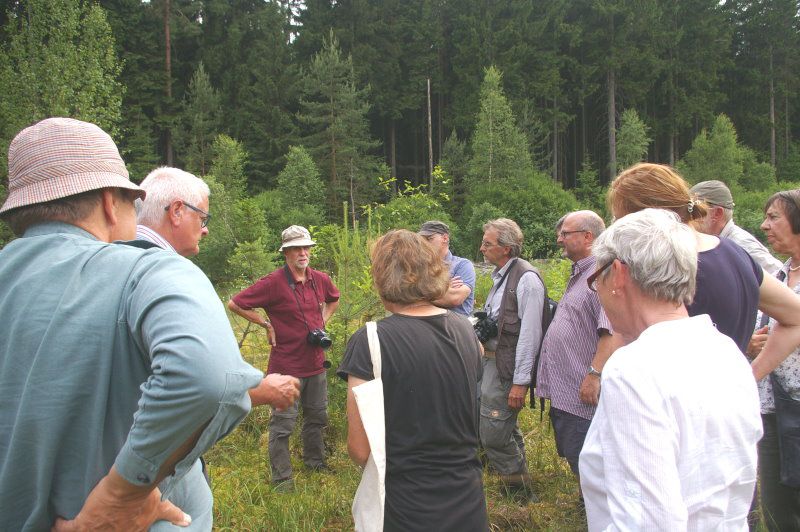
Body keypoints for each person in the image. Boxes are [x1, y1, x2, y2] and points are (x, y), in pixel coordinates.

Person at [0, 117, 300, 531]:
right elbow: (209, 377)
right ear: (110, 202)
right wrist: (120, 497)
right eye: (130, 203)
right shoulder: (149, 271)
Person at [580, 208, 762, 530]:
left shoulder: (634, 368)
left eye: (596, 279)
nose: (599, 296)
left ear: (619, 274)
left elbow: (647, 520)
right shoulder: (726, 352)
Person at [338, 229, 488, 531]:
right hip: (468, 500)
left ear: (381, 277)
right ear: (432, 271)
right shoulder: (466, 332)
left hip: (404, 505)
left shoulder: (370, 340)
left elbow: (359, 448)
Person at [608, 163, 800, 366]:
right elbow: (795, 316)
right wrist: (750, 376)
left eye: (619, 220)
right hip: (731, 394)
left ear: (644, 217)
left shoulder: (663, 269)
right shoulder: (734, 252)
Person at [228, 225, 340, 491]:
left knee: (317, 417)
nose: (303, 253)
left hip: (315, 364)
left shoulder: (320, 279)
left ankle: (315, 463)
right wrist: (266, 324)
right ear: (286, 253)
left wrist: (322, 322)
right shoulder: (272, 283)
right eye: (296, 249)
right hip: (286, 367)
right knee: (282, 425)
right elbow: (235, 303)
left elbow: (333, 299)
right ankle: (282, 479)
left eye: (306, 248)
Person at [535, 210, 620, 479]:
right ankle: (587, 506)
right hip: (569, 392)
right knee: (578, 458)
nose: (559, 239)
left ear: (587, 237)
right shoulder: (580, 274)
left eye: (565, 234)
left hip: (583, 395)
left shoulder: (601, 275)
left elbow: (612, 333)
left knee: (588, 461)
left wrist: (594, 375)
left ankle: (594, 513)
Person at [477, 218, 546, 494]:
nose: (482, 248)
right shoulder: (503, 275)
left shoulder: (526, 279)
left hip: (505, 369)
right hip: (492, 363)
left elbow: (531, 335)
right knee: (504, 428)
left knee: (494, 434)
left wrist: (520, 382)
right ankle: (521, 488)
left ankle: (518, 496)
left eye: (487, 243)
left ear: (506, 248)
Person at [750, 190, 800, 530]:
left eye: (774, 217)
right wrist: (750, 343)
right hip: (769, 407)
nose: (765, 225)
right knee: (776, 509)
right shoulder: (779, 276)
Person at [690, 179, 782, 275]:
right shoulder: (715, 242)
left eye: (694, 210)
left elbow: (782, 277)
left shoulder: (741, 244)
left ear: (717, 214)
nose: (687, 217)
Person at [135, 167, 211, 257]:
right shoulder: (172, 268)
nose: (206, 231)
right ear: (176, 212)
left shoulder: (116, 254)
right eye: (202, 219)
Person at [419, 220, 476, 315]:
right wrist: (443, 288)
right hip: (426, 325)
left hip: (455, 327)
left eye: (429, 239)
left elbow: (454, 298)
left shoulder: (463, 265)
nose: (424, 244)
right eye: (422, 240)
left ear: (445, 238)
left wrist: (419, 293)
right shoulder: (419, 266)